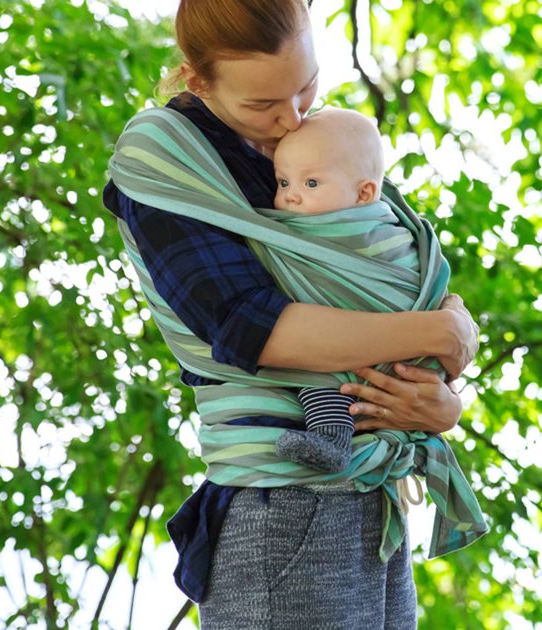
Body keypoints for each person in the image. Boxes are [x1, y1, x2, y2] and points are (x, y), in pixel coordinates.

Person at [101, 0, 481, 627]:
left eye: (306, 87)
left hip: (373, 499)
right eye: (263, 104)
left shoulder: (317, 144)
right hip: (283, 503)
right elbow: (249, 325)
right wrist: (436, 330)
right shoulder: (168, 154)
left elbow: (390, 276)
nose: (291, 118)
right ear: (199, 81)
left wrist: (439, 400)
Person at [267, 107, 423, 473]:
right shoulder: (306, 226)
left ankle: (331, 440)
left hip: (385, 350)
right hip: (395, 350)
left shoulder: (379, 232)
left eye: (311, 183)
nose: (290, 197)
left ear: (364, 193)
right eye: (283, 182)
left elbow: (417, 275)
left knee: (317, 365)